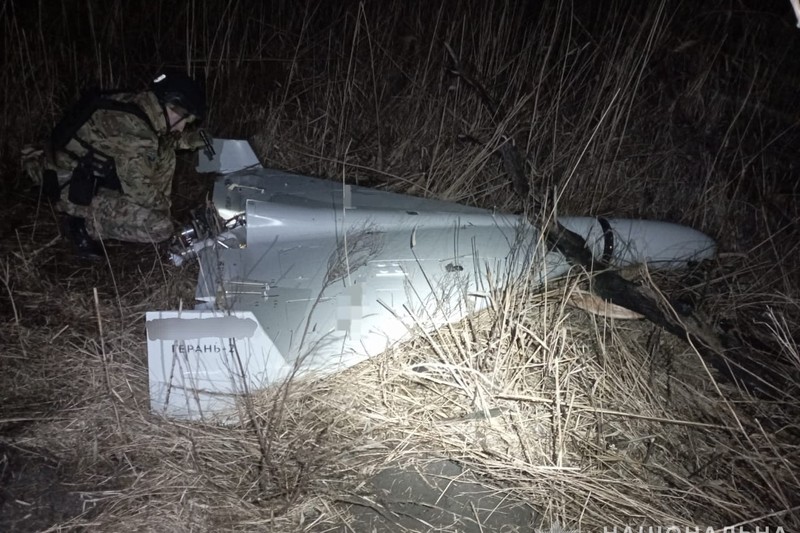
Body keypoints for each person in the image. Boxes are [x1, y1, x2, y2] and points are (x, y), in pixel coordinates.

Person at [22, 71, 209, 258]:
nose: (182, 126)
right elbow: (140, 192)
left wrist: (190, 141)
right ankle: (81, 226)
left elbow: (162, 140)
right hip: (68, 185)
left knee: (165, 154)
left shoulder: (138, 104)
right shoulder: (137, 136)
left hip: (77, 169)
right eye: (183, 117)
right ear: (169, 103)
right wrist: (166, 213)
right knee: (160, 227)